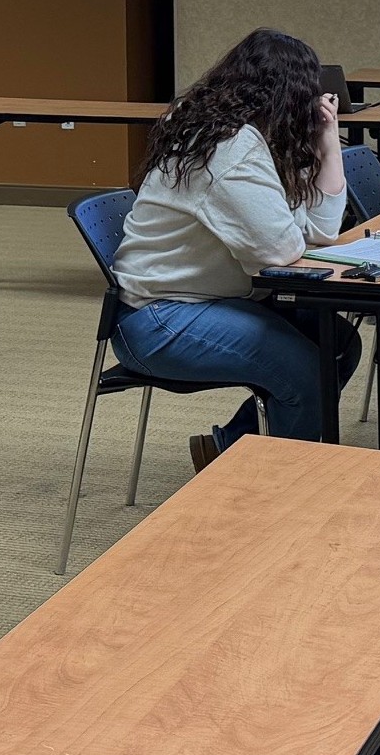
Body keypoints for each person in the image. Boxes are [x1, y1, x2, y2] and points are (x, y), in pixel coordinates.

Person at [108, 28, 359, 471]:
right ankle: (273, 486)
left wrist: (329, 139)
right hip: (160, 318)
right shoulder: (229, 149)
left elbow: (321, 231)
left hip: (207, 301)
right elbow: (278, 251)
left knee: (338, 343)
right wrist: (290, 222)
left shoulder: (239, 136)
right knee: (304, 372)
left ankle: (234, 449)